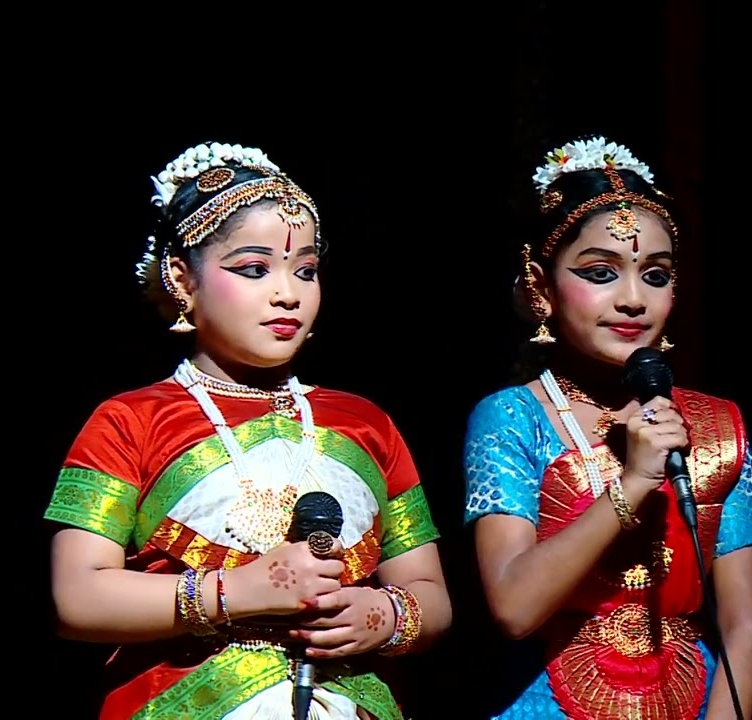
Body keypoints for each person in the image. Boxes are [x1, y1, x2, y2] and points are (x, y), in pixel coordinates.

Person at [43, 141, 451, 720]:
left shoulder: (366, 423)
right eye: (255, 269)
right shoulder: (131, 420)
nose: (288, 293)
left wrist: (383, 616)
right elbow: (78, 597)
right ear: (182, 280)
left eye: (305, 270)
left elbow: (431, 596)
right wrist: (236, 593)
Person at [463, 136, 752, 720]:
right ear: (541, 286)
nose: (633, 299)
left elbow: (745, 628)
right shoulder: (511, 417)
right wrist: (632, 484)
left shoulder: (715, 426)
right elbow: (514, 608)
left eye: (655, 275)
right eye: (601, 272)